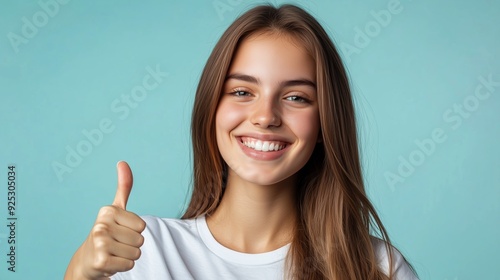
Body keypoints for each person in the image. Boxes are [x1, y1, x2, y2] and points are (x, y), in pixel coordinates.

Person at [65, 4, 418, 280]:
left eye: (296, 97)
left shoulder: (377, 268)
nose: (266, 116)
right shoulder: (140, 252)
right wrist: (80, 273)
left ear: (326, 121)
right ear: (211, 109)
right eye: (241, 91)